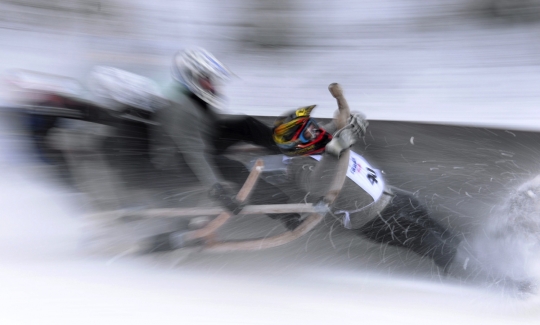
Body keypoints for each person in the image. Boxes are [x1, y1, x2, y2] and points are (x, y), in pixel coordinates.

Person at [147, 48, 303, 252]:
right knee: (234, 169)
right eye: (206, 80)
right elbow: (195, 154)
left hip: (197, 147)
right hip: (176, 164)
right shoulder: (180, 108)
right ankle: (288, 214)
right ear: (190, 78)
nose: (212, 85)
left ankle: (293, 148)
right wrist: (217, 190)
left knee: (245, 123)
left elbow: (211, 129)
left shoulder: (195, 101)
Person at [272, 104, 462, 273]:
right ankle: (465, 269)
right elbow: (317, 184)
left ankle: (464, 251)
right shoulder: (299, 167)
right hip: (374, 219)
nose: (316, 132)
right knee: (427, 240)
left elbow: (343, 123)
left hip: (390, 196)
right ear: (296, 145)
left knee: (430, 223)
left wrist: (354, 121)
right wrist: (335, 149)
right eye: (307, 133)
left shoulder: (321, 137)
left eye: (312, 125)